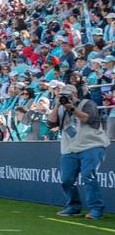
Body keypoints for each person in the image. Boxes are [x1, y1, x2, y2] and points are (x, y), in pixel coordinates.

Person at [45, 83, 109, 219]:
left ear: (75, 95)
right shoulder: (60, 108)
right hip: (70, 148)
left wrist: (72, 108)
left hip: (91, 145)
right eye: (63, 95)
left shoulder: (88, 103)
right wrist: (57, 105)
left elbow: (88, 118)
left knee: (88, 175)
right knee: (66, 179)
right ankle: (73, 207)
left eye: (69, 95)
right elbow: (50, 123)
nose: (66, 98)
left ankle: (96, 209)